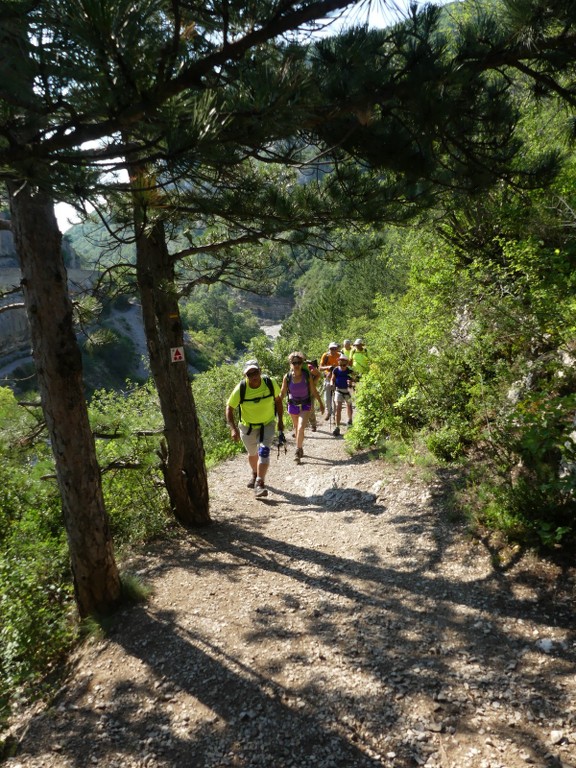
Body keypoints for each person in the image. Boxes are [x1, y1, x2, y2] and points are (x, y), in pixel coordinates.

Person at [225, 359, 284, 498]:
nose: (253, 376)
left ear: (260, 371)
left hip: (267, 424)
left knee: (264, 451)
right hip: (247, 427)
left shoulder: (270, 383)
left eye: (255, 372)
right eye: (249, 374)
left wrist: (281, 420)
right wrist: (233, 429)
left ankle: (259, 483)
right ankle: (255, 473)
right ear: (245, 376)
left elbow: (278, 401)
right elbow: (229, 408)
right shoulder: (241, 388)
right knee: (252, 454)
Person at [280, 351, 324, 463]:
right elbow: (282, 393)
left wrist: (321, 403)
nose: (297, 365)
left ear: (301, 363)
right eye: (294, 363)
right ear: (291, 363)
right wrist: (274, 404)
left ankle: (297, 451)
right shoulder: (287, 377)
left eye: (299, 362)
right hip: (292, 405)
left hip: (305, 404)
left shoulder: (306, 375)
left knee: (300, 428)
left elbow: (313, 390)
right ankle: (300, 447)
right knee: (296, 428)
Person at [330, 354, 355, 436]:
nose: (342, 366)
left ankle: (350, 420)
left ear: (347, 363)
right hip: (338, 390)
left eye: (344, 364)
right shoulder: (336, 370)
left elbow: (355, 380)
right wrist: (331, 384)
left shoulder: (350, 371)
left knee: (349, 406)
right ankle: (337, 427)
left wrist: (351, 383)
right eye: (340, 364)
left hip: (348, 391)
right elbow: (332, 378)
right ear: (338, 363)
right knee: (338, 407)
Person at [319, 341, 340, 420]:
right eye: (331, 348)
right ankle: (328, 412)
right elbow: (320, 368)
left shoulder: (340, 356)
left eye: (334, 348)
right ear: (329, 349)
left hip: (337, 379)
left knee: (336, 398)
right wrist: (328, 368)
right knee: (327, 399)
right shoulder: (326, 356)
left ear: (337, 349)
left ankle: (335, 415)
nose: (333, 350)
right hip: (327, 379)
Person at [304, 358, 322, 431]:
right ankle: (298, 429)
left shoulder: (308, 366)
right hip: (300, 392)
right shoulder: (294, 367)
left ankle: (313, 425)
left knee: (310, 408)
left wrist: (314, 383)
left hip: (310, 391)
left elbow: (318, 374)